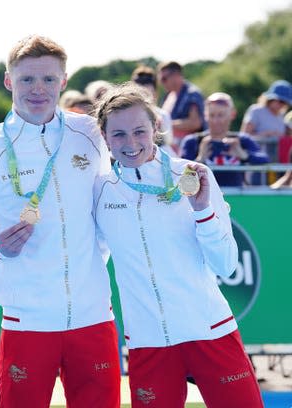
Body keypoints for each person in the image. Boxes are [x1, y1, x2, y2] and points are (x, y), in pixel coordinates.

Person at [0, 34, 120, 407]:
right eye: (27, 79)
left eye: (48, 79)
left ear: (63, 81)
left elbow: (108, 204)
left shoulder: (90, 133)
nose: (38, 89)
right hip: (25, 318)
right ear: (9, 80)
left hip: (92, 313)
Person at [93, 83, 264, 408]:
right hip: (148, 341)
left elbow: (227, 264)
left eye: (139, 131)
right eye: (118, 135)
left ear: (156, 127)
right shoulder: (100, 190)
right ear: (104, 137)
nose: (131, 144)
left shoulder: (193, 174)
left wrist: (202, 211)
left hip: (209, 329)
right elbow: (85, 257)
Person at [181, 92, 268, 186]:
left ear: (232, 114)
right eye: (212, 115)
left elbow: (265, 161)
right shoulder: (194, 141)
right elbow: (180, 174)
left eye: (221, 115)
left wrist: (244, 155)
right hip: (205, 198)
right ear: (205, 116)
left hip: (236, 198)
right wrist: (200, 159)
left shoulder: (241, 140)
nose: (215, 121)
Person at [158, 61, 206, 152]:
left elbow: (195, 123)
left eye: (164, 79)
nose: (161, 83)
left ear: (176, 75)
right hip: (172, 149)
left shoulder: (192, 94)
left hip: (189, 150)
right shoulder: (168, 95)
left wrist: (165, 124)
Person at [240, 79, 292, 162]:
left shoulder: (281, 116)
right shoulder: (256, 111)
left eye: (285, 102)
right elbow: (244, 136)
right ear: (270, 98)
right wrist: (265, 134)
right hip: (256, 161)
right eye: (280, 101)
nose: (282, 105)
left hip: (275, 162)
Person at [131, 65, 175, 156]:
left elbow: (169, 141)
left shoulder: (163, 115)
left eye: (147, 94)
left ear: (155, 92)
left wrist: (159, 129)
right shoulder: (126, 116)